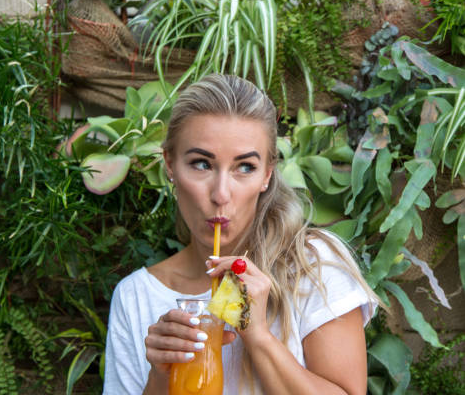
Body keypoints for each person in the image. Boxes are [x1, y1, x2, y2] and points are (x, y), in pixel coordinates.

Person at [103, 74, 379, 395]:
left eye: (244, 167)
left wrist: (259, 336)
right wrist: (161, 376)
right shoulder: (136, 297)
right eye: (201, 164)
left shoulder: (312, 265)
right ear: (170, 165)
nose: (221, 194)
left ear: (267, 175)